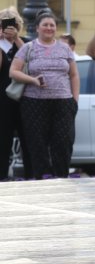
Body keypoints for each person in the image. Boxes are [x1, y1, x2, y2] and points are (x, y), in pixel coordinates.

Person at [9, 12, 79, 179]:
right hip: (34, 103)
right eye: (45, 25)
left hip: (63, 103)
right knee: (37, 143)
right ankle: (43, 177)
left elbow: (74, 75)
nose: (49, 28)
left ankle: (61, 176)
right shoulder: (28, 47)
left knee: (63, 142)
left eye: (52, 25)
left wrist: (74, 100)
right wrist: (33, 80)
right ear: (37, 28)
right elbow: (13, 72)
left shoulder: (65, 48)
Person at [0, 7, 29, 179]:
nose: (9, 28)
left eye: (13, 23)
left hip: (25, 99)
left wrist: (16, 39)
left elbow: (33, 60)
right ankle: (1, 176)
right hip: (2, 100)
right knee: (3, 140)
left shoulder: (24, 43)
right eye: (4, 23)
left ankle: (32, 175)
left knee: (28, 139)